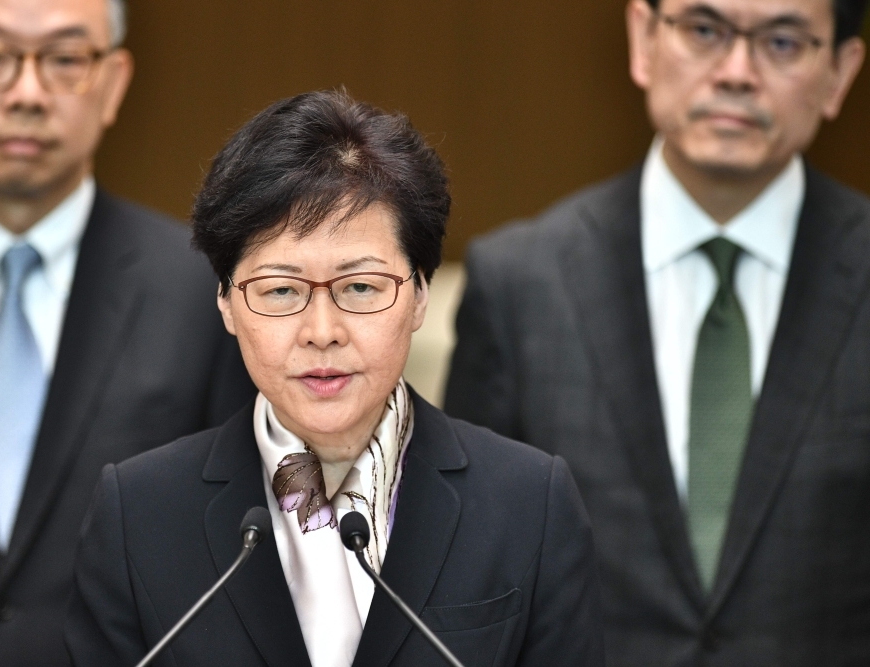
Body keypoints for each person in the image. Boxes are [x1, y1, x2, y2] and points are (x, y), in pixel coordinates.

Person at [64, 90, 604, 667]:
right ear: (225, 303)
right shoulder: (140, 515)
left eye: (361, 287)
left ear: (420, 294)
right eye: (281, 291)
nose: (322, 331)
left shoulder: (530, 504)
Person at [445, 0, 870, 664]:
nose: (736, 71)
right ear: (643, 38)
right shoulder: (518, 286)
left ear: (840, 72)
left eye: (782, 42)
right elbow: (468, 584)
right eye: (704, 30)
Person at [0, 0, 254, 664]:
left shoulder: (205, 295)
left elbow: (236, 569)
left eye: (66, 59)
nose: (27, 93)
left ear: (113, 82)